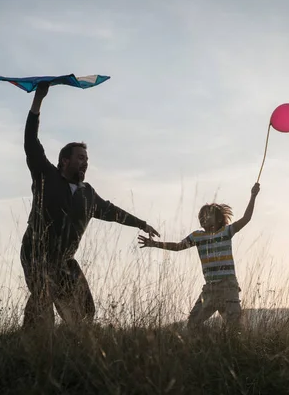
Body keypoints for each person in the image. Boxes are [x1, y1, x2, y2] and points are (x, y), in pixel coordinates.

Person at [21, 82, 160, 331]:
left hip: (64, 261)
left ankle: (73, 350)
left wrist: (140, 223)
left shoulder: (88, 194)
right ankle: (29, 350)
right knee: (42, 306)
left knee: (85, 312)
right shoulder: (46, 176)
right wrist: (38, 100)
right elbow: (31, 141)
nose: (85, 163)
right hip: (36, 254)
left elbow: (113, 212)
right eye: (80, 158)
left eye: (87, 159)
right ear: (65, 160)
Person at [138, 183, 260, 330]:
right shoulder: (197, 236)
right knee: (192, 325)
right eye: (201, 216)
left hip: (228, 286)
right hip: (209, 289)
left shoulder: (227, 232)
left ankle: (233, 350)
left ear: (219, 219)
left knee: (234, 328)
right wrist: (154, 244)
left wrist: (253, 196)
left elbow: (246, 218)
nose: (203, 219)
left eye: (207, 216)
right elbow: (178, 246)